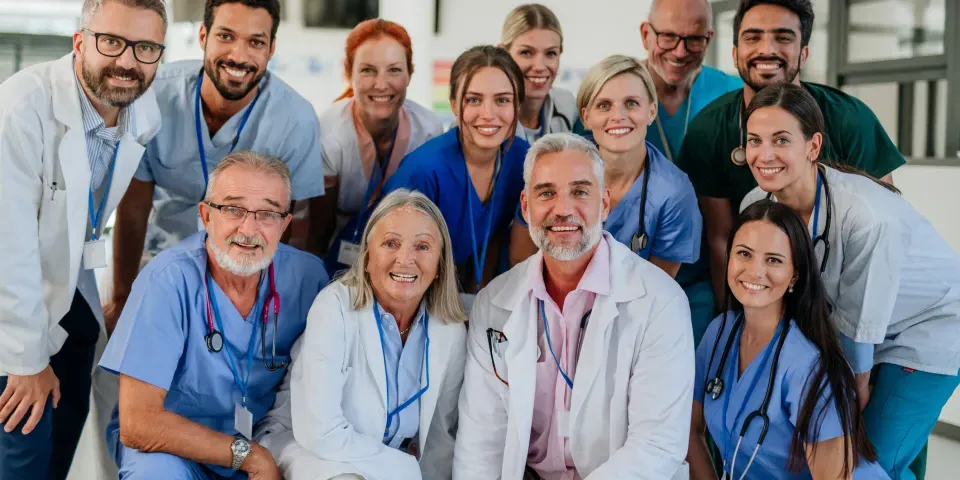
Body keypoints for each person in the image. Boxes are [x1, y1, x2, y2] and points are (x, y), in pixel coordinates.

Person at [739, 83, 960, 480]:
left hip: (929, 325)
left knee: (865, 464)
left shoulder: (867, 215)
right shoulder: (758, 206)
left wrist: (850, 402)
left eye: (781, 139)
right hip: (853, 331)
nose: (764, 154)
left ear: (813, 145)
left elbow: (859, 332)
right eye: (755, 140)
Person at [454, 133, 694, 479]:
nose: (563, 209)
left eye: (580, 192)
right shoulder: (495, 302)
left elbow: (656, 447)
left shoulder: (660, 302)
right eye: (546, 193)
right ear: (525, 207)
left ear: (605, 204)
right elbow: (481, 442)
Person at [0, 1, 166, 478]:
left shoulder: (141, 110)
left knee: (59, 448)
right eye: (111, 42)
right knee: (23, 451)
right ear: (80, 42)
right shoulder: (23, 110)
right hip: (13, 311)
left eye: (146, 48)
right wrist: (28, 361)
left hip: (71, 299)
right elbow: (10, 248)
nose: (128, 62)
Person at [98, 151, 329, 479]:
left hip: (268, 437)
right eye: (233, 209)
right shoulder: (168, 280)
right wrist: (247, 456)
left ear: (284, 224)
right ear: (206, 216)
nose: (248, 229)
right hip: (173, 446)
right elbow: (139, 423)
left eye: (267, 213)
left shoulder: (308, 279)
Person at [106, 0, 326, 333]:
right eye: (226, 36)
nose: (239, 56)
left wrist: (275, 307)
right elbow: (133, 210)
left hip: (247, 278)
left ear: (271, 48)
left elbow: (292, 228)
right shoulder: (156, 96)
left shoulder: (295, 119)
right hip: (159, 263)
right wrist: (122, 298)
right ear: (204, 35)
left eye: (255, 42)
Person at [675, 0, 905, 315]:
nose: (766, 49)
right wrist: (735, 318)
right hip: (766, 291)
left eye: (783, 38)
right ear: (734, 52)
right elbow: (720, 240)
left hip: (865, 297)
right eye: (752, 37)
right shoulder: (709, 130)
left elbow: (886, 229)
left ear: (804, 52)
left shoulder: (850, 119)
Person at [255, 189, 467, 480]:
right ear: (367, 258)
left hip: (388, 461)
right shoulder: (334, 308)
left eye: (423, 247)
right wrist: (404, 469)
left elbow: (438, 438)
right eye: (390, 243)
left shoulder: (450, 330)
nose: (405, 259)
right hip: (307, 448)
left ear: (440, 264)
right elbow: (321, 433)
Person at [688, 200, 888, 479]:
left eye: (774, 260)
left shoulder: (807, 367)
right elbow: (689, 429)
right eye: (744, 254)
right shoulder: (718, 333)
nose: (755, 271)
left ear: (795, 274)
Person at [509, 55, 701, 281]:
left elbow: (654, 289)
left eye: (631, 103)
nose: (618, 117)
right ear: (586, 117)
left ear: (651, 111)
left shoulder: (673, 194)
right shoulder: (554, 162)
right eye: (604, 105)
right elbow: (521, 266)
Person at [381, 45, 529, 297]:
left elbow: (493, 234)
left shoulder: (522, 160)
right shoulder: (423, 171)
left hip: (460, 286)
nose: (488, 114)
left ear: (517, 106)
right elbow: (386, 261)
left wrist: (478, 296)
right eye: (474, 100)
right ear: (453, 105)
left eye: (502, 100)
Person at [640, 0, 743, 344]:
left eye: (694, 39)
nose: (680, 51)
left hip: (709, 276)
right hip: (632, 271)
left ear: (710, 38)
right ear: (645, 34)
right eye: (668, 37)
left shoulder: (733, 95)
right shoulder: (617, 92)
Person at [316, 19, 444, 275]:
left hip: (405, 259)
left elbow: (430, 220)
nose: (381, 84)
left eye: (394, 70)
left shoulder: (428, 130)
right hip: (338, 258)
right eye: (368, 70)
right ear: (348, 72)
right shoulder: (328, 131)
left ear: (410, 73)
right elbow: (318, 231)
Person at [500, 3, 578, 144]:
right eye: (526, 52)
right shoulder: (479, 117)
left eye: (550, 53)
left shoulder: (568, 106)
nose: (540, 66)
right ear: (503, 54)